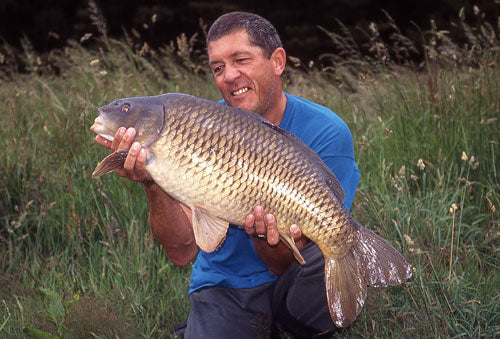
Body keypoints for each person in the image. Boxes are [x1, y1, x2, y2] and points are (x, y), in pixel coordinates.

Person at [95, 11, 360, 339]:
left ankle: (292, 328)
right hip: (225, 286)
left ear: (277, 61)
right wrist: (151, 179)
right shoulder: (196, 129)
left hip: (295, 276)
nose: (229, 75)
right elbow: (181, 253)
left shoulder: (326, 131)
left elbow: (283, 264)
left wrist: (263, 235)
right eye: (218, 67)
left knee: (332, 249)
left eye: (241, 59)